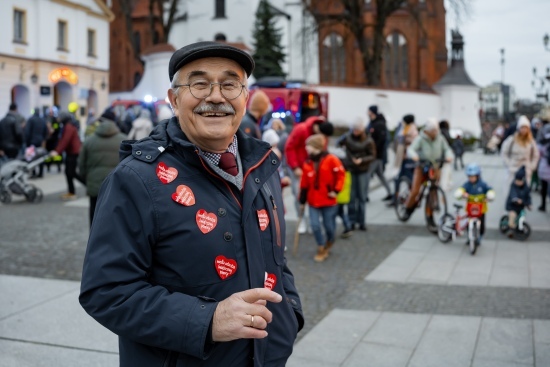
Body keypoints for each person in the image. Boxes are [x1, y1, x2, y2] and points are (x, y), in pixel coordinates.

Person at [79, 41, 303, 367]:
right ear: (174, 99)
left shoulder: (262, 167)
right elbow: (106, 291)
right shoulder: (136, 180)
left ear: (244, 97)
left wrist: (289, 313)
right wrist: (208, 320)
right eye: (199, 84)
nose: (216, 96)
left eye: (229, 84)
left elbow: (275, 259)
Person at [299, 134, 345, 262]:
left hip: (328, 200)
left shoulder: (331, 159)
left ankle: (329, 241)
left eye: (308, 146)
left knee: (329, 226)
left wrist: (336, 191)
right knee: (314, 225)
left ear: (316, 147)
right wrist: (302, 199)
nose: (306, 148)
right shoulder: (308, 162)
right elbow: (304, 183)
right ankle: (321, 246)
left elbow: (341, 175)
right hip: (313, 200)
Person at [285, 115, 333, 233]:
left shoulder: (323, 135)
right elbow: (289, 147)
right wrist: (295, 166)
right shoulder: (301, 129)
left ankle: (313, 221)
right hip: (298, 168)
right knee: (298, 194)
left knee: (313, 194)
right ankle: (301, 219)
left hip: (313, 168)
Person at [78, 109, 126, 227]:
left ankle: (94, 241)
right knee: (117, 216)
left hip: (95, 185)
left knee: (94, 214)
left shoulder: (89, 140)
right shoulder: (123, 140)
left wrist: (87, 180)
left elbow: (81, 165)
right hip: (117, 185)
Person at [404, 118, 453, 219]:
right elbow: (411, 149)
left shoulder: (440, 138)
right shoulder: (421, 138)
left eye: (436, 130)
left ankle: (430, 213)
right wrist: (414, 156)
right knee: (415, 190)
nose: (435, 133)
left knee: (433, 190)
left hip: (435, 166)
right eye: (433, 131)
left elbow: (447, 149)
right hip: (422, 166)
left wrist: (448, 156)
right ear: (428, 131)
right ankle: (408, 208)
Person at [338, 117, 376, 231]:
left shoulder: (368, 141)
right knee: (351, 197)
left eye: (357, 130)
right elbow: (338, 144)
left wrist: (362, 160)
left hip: (363, 170)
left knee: (362, 197)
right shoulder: (347, 137)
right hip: (350, 169)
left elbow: (372, 155)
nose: (355, 132)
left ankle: (361, 221)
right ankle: (352, 220)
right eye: (354, 129)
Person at [453, 163, 495, 245]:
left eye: (473, 177)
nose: (471, 179)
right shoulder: (467, 185)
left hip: (481, 209)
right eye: (469, 177)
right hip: (470, 209)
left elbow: (489, 189)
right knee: (469, 225)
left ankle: (479, 237)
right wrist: (461, 193)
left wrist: (489, 195)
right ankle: (470, 237)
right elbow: (462, 189)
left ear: (478, 176)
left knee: (482, 226)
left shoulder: (483, 185)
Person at [50, 112, 83, 200]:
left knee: (71, 172)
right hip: (71, 152)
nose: (59, 120)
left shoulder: (68, 127)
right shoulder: (68, 126)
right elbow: (63, 140)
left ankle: (75, 190)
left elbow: (65, 140)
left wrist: (57, 151)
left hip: (73, 152)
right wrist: (57, 150)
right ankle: (71, 191)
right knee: (69, 172)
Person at [387, 114, 418, 207]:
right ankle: (397, 198)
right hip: (402, 158)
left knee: (407, 179)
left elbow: (414, 144)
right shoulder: (404, 129)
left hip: (408, 159)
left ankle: (410, 198)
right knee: (399, 178)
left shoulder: (413, 131)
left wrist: (405, 141)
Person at [501, 115, 540, 186]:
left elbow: (536, 154)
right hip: (513, 169)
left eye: (526, 128)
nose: (524, 130)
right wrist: (508, 164)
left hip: (526, 170)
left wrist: (532, 166)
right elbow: (504, 152)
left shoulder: (531, 141)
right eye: (522, 127)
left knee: (524, 194)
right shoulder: (512, 139)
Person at [366, 105, 392, 201]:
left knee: (368, 174)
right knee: (380, 175)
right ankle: (390, 193)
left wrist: (373, 152)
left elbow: (381, 141)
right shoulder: (372, 123)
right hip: (376, 154)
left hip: (376, 155)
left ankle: (364, 195)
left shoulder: (379, 124)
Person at [505, 166, 532, 238]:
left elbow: (528, 196)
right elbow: (512, 194)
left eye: (519, 181)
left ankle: (519, 225)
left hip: (521, 206)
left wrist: (529, 204)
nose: (517, 182)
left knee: (521, 216)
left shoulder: (526, 187)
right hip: (512, 205)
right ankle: (510, 229)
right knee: (512, 216)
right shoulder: (513, 185)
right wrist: (516, 199)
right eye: (517, 180)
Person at [24, 108, 50, 178]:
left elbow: (27, 132)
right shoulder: (42, 120)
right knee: (40, 157)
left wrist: (27, 142)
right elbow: (46, 131)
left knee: (32, 158)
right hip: (40, 141)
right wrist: (44, 139)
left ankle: (33, 172)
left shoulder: (31, 119)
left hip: (32, 141)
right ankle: (41, 173)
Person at [536, 123, 550, 211]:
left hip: (544, 166)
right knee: (545, 188)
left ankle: (543, 205)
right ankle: (543, 204)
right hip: (545, 166)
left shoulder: (542, 142)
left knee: (544, 188)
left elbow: (538, 153)